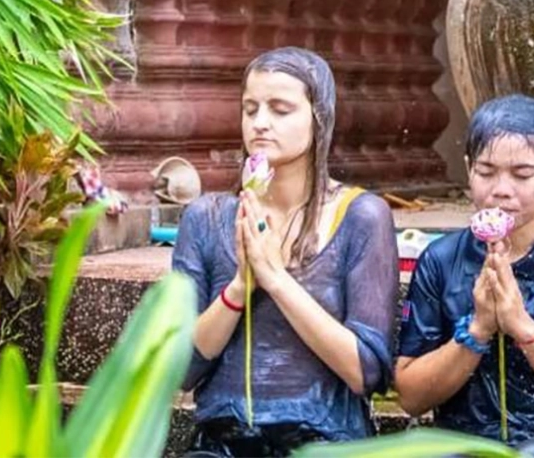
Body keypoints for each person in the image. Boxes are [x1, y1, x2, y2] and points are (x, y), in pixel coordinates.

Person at [171, 47, 399, 456]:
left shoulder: (361, 216)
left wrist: (275, 279)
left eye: (280, 109)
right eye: (250, 108)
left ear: (320, 117)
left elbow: (366, 371)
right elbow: (181, 370)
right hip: (224, 441)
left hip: (324, 442)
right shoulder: (205, 218)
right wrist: (239, 288)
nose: (260, 123)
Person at [395, 95, 534, 456]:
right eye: (486, 172)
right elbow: (410, 396)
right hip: (461, 439)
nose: (501, 189)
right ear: (469, 169)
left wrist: (522, 326)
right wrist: (478, 330)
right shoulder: (440, 261)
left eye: (522, 174)